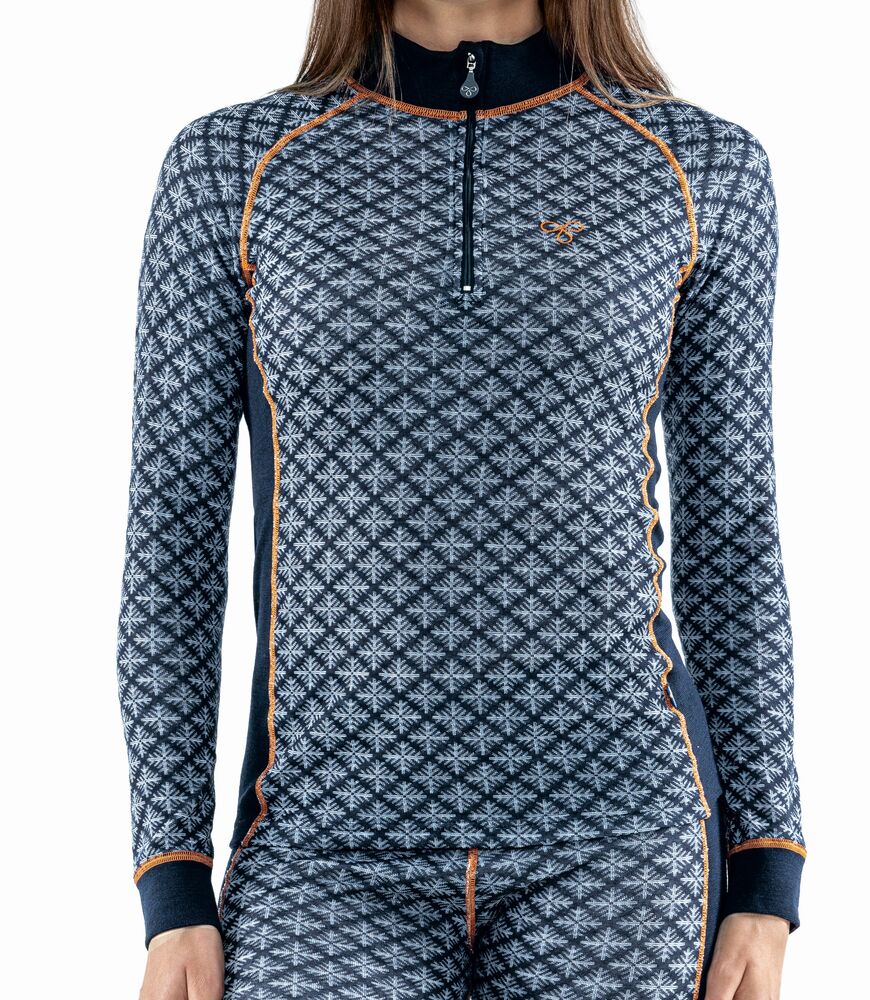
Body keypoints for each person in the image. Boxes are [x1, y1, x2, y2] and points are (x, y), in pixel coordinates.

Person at [116, 1, 806, 997]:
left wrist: (767, 868)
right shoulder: (232, 168)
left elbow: (732, 536)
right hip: (322, 847)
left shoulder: (700, 169)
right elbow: (171, 541)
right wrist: (172, 878)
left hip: (624, 839)